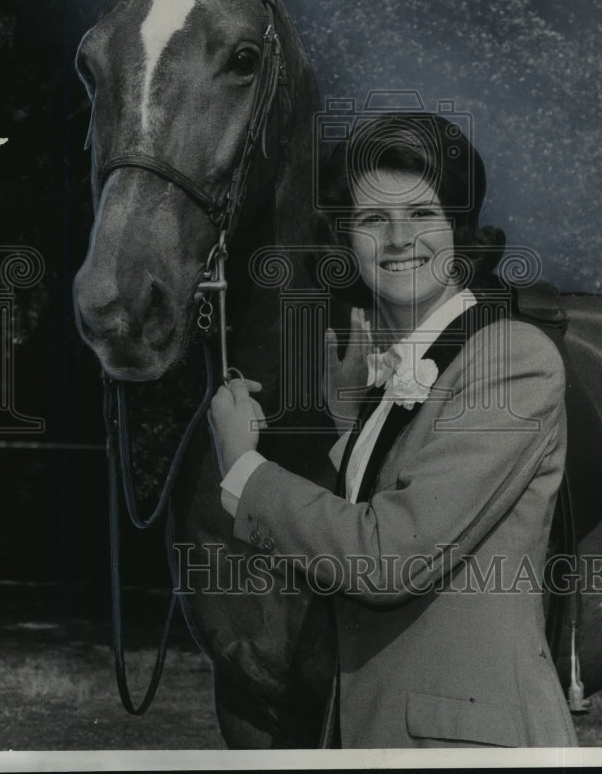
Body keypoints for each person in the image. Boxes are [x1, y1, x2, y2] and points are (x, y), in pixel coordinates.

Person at [209, 112, 578, 749]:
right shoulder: (397, 378)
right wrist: (351, 425)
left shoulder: (510, 359)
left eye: (423, 215)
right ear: (347, 242)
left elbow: (388, 559)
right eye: (373, 220)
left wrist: (244, 469)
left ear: (459, 231)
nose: (400, 238)